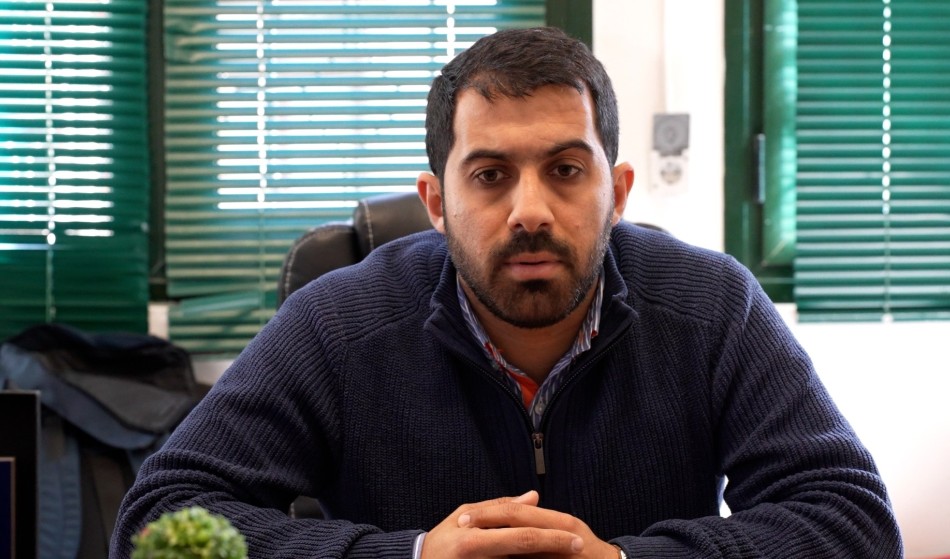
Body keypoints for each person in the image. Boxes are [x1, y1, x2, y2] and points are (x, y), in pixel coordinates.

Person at [111, 26, 902, 559]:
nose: (530, 210)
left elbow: (853, 520)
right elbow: (159, 518)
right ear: (435, 202)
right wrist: (410, 555)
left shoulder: (714, 307)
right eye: (490, 174)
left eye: (566, 169)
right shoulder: (336, 321)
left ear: (618, 192)